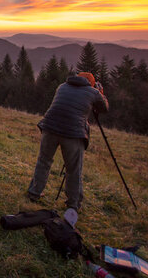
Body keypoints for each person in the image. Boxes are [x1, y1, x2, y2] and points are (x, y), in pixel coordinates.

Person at [27, 72, 109, 214]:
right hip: (73, 133)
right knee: (73, 169)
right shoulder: (93, 91)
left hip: (49, 127)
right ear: (91, 83)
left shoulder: (62, 86)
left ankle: (34, 193)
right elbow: (103, 108)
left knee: (44, 161)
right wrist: (101, 93)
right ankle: (73, 204)